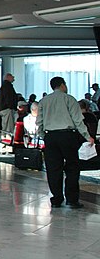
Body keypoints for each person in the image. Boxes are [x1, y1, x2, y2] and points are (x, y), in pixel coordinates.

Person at [37, 76, 93, 209]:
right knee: (72, 167)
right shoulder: (69, 99)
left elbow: (39, 121)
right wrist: (87, 136)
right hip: (68, 136)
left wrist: (43, 135)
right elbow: (78, 120)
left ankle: (56, 199)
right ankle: (72, 200)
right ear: (62, 85)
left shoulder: (44, 101)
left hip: (50, 136)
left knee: (53, 168)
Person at [0, 73, 17, 152]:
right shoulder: (7, 86)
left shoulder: (4, 86)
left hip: (4, 109)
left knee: (5, 128)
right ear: (8, 77)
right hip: (7, 110)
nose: (14, 77)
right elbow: (8, 98)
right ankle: (7, 147)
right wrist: (11, 107)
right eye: (12, 76)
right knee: (8, 129)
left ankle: (4, 146)